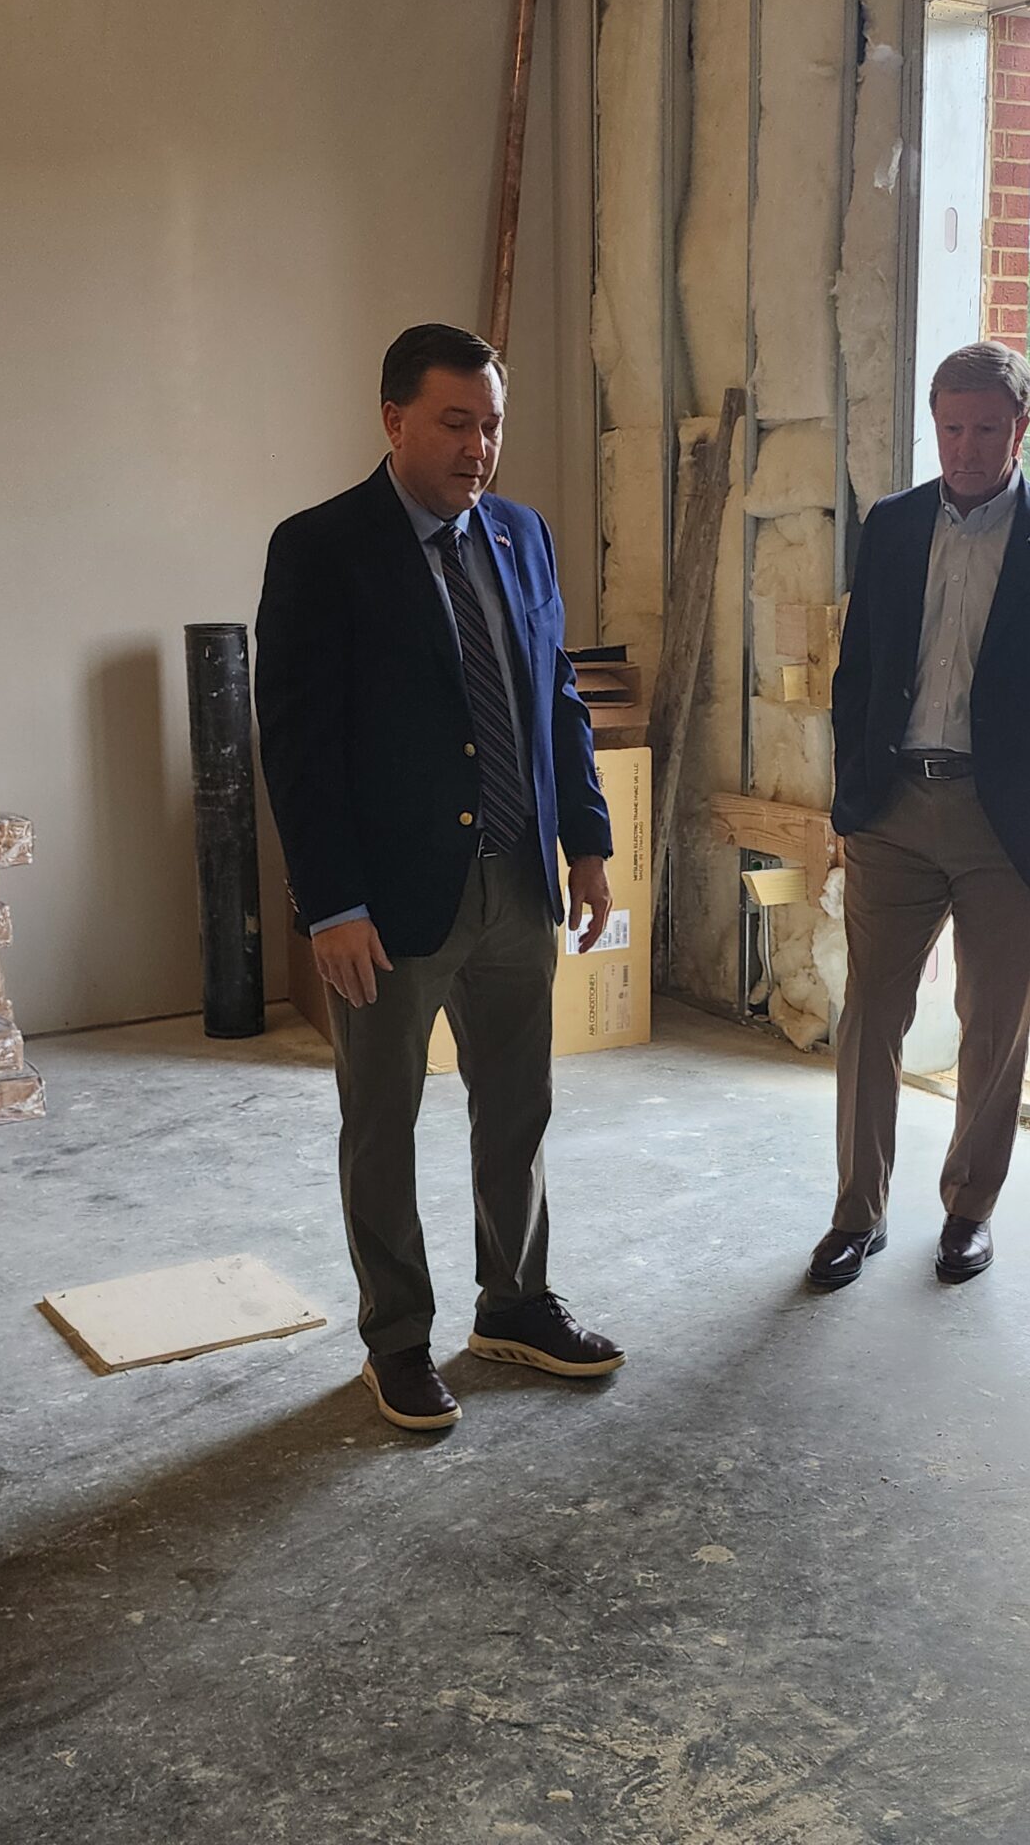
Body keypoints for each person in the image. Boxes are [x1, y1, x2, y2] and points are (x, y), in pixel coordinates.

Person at [256, 323, 624, 1430]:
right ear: (394, 420)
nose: (479, 448)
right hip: (389, 901)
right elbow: (299, 743)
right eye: (456, 423)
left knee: (518, 1106)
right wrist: (331, 903)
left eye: (492, 424)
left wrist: (588, 843)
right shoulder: (320, 548)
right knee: (384, 1121)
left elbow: (557, 696)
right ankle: (398, 1340)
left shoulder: (521, 533)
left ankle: (515, 1303)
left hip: (518, 877)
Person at [809, 340, 1030, 1291]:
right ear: (935, 424)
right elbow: (859, 672)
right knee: (871, 1013)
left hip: (1007, 824)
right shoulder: (894, 525)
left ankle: (967, 1212)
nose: (967, 448)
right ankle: (856, 1213)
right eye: (951, 428)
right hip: (894, 812)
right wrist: (851, 799)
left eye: (987, 429)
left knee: (995, 1023)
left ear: (1021, 428)